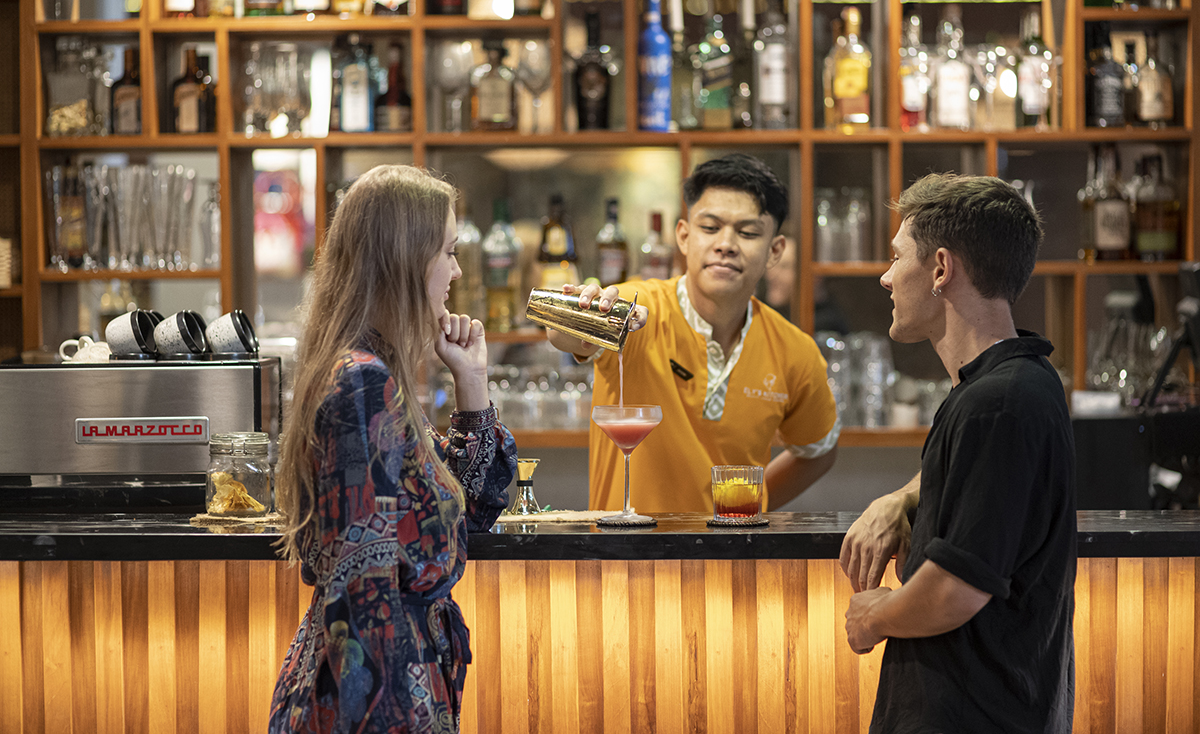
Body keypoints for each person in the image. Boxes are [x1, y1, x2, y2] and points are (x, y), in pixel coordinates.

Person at [270, 165, 517, 733]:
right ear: (405, 258)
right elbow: (364, 599)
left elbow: (470, 516)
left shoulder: (375, 372)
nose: (457, 270)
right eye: (448, 252)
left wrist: (472, 383)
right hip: (378, 706)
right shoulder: (362, 384)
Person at [840, 173, 1076, 732]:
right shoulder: (1015, 383)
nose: (886, 277)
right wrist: (904, 498)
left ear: (941, 269)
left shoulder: (998, 404)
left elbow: (957, 588)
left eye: (898, 257)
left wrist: (873, 616)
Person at [547, 153, 839, 513]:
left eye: (748, 233)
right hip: (623, 546)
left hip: (732, 548)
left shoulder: (795, 351)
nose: (726, 244)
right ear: (684, 237)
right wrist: (577, 313)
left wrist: (750, 506)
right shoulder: (638, 309)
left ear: (774, 250)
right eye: (710, 228)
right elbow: (563, 336)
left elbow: (818, 452)